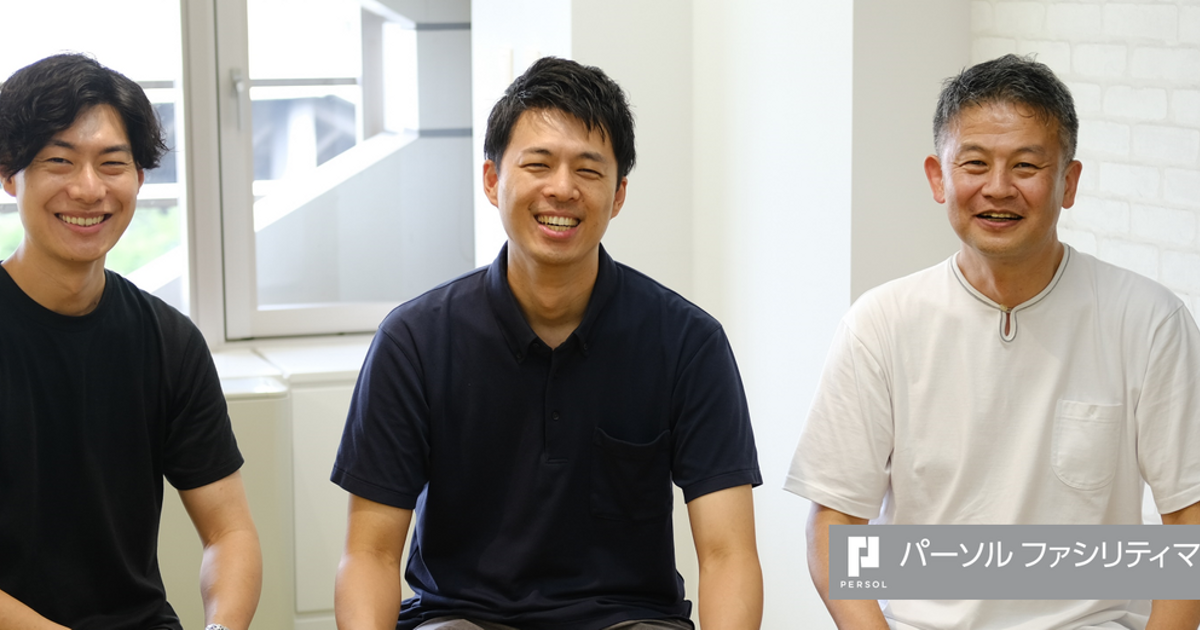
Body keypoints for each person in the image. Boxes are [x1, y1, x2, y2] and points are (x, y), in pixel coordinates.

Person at [331, 57, 763, 630]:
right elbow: (370, 554)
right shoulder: (414, 341)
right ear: (492, 181)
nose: (562, 188)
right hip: (462, 618)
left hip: (628, 620)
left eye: (588, 170)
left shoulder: (688, 342)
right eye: (538, 164)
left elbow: (728, 554)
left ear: (618, 195)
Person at [786, 54, 1200, 630]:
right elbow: (835, 522)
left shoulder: (1150, 320)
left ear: (1068, 182)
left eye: (1026, 165)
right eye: (975, 164)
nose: (998, 189)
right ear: (939, 177)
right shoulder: (880, 323)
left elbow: (1189, 520)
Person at [0, 54, 261, 630]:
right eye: (59, 161)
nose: (88, 188)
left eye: (112, 163)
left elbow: (230, 532)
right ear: (10, 173)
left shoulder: (169, 341)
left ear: (139, 178)